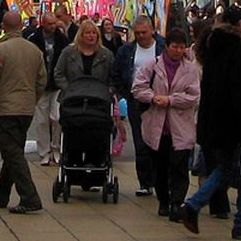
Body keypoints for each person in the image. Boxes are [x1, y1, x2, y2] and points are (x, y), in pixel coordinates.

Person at [180, 5, 241, 240]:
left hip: (213, 119)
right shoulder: (237, 49)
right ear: (239, 25)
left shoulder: (211, 46)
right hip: (232, 122)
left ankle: (232, 218)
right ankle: (199, 207)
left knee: (228, 169)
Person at [0, 10, 48, 215]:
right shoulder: (34, 51)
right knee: (13, 150)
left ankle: (30, 197)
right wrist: (33, 99)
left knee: (13, 152)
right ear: (21, 27)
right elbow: (42, 79)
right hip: (25, 108)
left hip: (5, 108)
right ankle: (1, 194)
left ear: (4, 27)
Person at [132, 27, 200, 221]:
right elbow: (138, 88)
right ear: (167, 47)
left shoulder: (190, 69)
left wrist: (171, 100)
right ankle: (163, 200)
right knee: (160, 166)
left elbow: (194, 95)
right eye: (174, 47)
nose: (178, 51)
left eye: (181, 47)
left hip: (181, 125)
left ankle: (177, 203)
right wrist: (153, 98)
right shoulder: (152, 65)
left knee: (179, 166)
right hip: (158, 124)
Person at [114, 15, 166, 197]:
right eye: (137, 33)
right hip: (136, 100)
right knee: (140, 141)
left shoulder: (163, 47)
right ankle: (145, 182)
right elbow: (117, 74)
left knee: (160, 142)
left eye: (144, 32)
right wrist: (125, 94)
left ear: (152, 30)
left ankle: (160, 178)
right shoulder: (126, 50)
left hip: (160, 99)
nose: (141, 36)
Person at [26, 10, 68, 165]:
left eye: (54, 23)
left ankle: (56, 147)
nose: (52, 26)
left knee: (57, 117)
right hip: (41, 85)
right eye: (49, 24)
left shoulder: (62, 39)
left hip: (57, 84)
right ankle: (44, 151)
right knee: (41, 120)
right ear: (43, 23)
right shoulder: (34, 39)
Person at [54, 18, 114, 92]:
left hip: (99, 97)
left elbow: (113, 77)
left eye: (94, 33)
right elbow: (58, 74)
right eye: (88, 33)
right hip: (72, 97)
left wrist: (108, 90)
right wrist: (68, 88)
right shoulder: (68, 52)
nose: (91, 36)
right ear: (81, 35)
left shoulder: (106, 54)